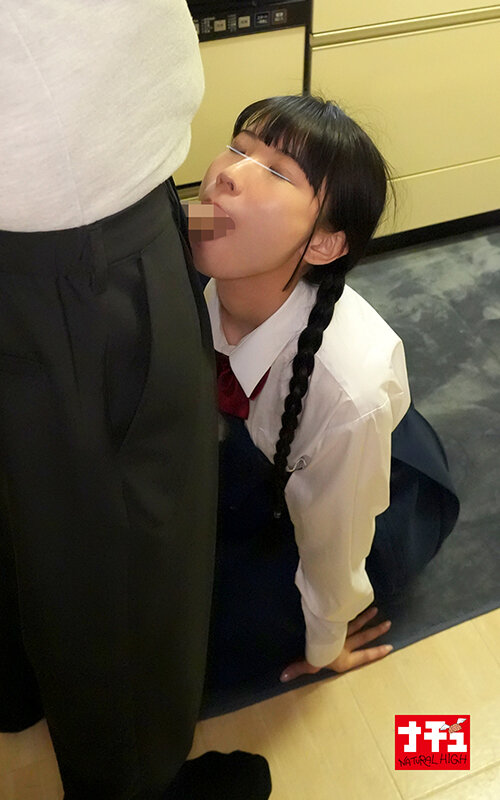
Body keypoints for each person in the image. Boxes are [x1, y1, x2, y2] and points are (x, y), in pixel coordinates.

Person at [0, 3, 271, 798]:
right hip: (83, 237)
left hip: (45, 207)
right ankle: (134, 782)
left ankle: (19, 682)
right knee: (133, 539)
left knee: (30, 492)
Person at [183, 94, 459, 700]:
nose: (227, 173)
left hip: (363, 483)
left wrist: (326, 643)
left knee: (199, 645)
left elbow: (335, 542)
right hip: (253, 456)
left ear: (324, 244)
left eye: (277, 172)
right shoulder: (192, 256)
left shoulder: (347, 389)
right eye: (236, 148)